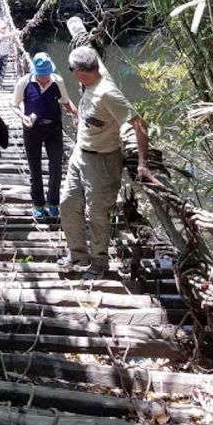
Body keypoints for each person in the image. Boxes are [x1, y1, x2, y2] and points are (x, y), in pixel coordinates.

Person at [57, 45, 153, 280]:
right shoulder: (89, 83)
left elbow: (140, 125)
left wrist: (142, 162)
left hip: (102, 162)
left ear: (80, 71)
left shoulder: (107, 92)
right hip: (80, 155)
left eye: (72, 70)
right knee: (68, 204)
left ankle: (99, 263)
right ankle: (78, 255)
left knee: (96, 214)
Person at [12, 52, 78, 219]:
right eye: (41, 74)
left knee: (56, 166)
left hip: (53, 129)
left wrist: (78, 114)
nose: (44, 77)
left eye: (46, 74)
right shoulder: (24, 82)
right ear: (35, 71)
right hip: (32, 129)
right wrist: (23, 116)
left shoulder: (57, 81)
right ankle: (38, 204)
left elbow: (65, 101)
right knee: (35, 168)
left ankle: (53, 202)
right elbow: (14, 105)